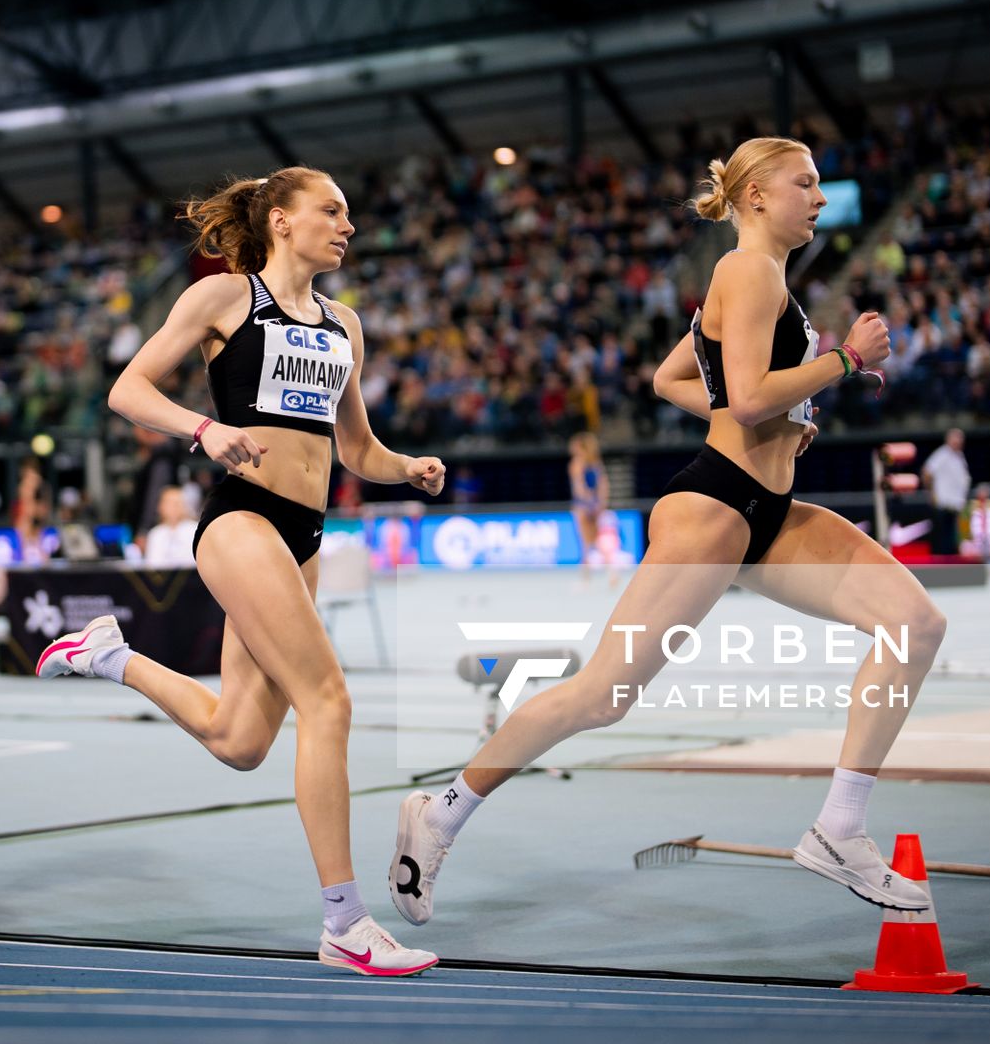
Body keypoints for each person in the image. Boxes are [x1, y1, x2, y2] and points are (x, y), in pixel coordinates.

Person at [386, 137, 948, 929]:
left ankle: (840, 828)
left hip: (770, 514)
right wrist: (843, 362)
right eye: (807, 184)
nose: (820, 199)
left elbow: (672, 380)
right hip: (715, 507)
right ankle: (440, 811)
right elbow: (746, 399)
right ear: (755, 196)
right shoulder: (744, 271)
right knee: (601, 698)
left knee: (915, 623)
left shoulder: (771, 287)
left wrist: (792, 410)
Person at [40, 166, 446, 977]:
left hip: (306, 532)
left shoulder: (345, 325)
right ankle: (345, 923)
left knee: (241, 739)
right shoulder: (224, 299)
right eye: (331, 210)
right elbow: (128, 388)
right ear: (282, 221)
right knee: (327, 700)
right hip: (241, 518)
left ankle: (108, 655)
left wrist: (410, 468)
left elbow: (355, 448)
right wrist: (203, 429)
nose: (348, 226)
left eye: (348, 213)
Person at [920, 428, 971, 557]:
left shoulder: (959, 456)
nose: (958, 441)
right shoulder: (942, 454)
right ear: (948, 440)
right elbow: (926, 471)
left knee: (953, 538)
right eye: (956, 438)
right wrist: (931, 493)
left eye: (960, 438)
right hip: (944, 503)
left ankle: (951, 564)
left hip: (955, 504)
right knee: (943, 538)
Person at [567, 432, 608, 578]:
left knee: (585, 542)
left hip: (583, 505)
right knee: (596, 539)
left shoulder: (577, 463)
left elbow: (579, 487)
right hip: (595, 504)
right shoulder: (596, 463)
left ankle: (586, 575)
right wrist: (600, 503)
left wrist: (588, 502)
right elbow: (603, 485)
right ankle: (611, 573)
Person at [136, 486, 197, 568]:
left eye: (177, 503)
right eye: (169, 503)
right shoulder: (155, 533)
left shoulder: (194, 529)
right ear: (160, 506)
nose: (174, 508)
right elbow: (151, 565)